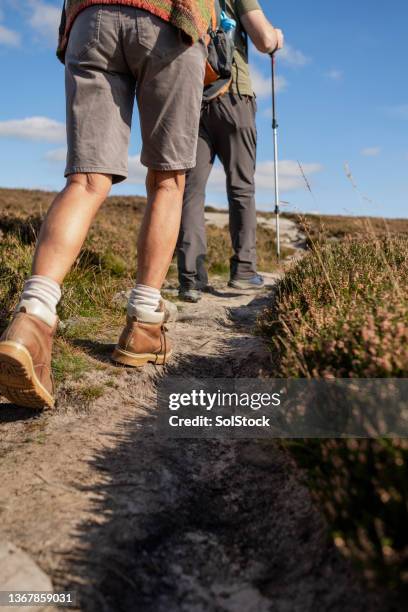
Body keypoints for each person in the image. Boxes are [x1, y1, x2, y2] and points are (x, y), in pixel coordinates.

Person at [0, 0, 213, 409]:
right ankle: (144, 325)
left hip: (91, 18)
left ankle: (33, 319)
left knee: (85, 179)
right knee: (168, 181)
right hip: (170, 19)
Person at [177, 0, 283, 302]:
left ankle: (191, 279)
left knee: (190, 191)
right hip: (235, 96)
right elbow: (264, 40)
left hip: (193, 98)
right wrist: (276, 36)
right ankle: (244, 271)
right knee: (241, 187)